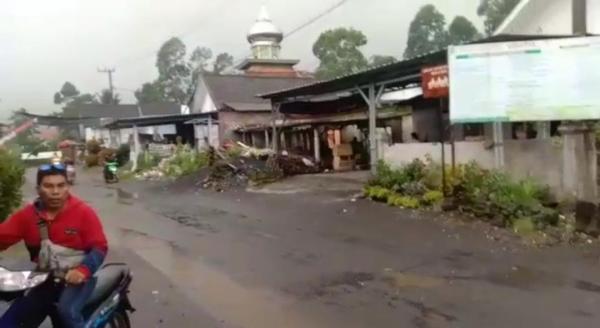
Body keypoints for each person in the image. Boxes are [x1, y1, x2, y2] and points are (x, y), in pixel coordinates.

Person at [0, 163, 108, 328]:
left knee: (67, 312)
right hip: (46, 278)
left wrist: (82, 271)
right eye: (48, 186)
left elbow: (100, 247)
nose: (55, 192)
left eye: (61, 185)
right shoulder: (27, 216)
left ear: (68, 187)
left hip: (78, 280)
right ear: (38, 189)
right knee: (14, 318)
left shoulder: (83, 212)